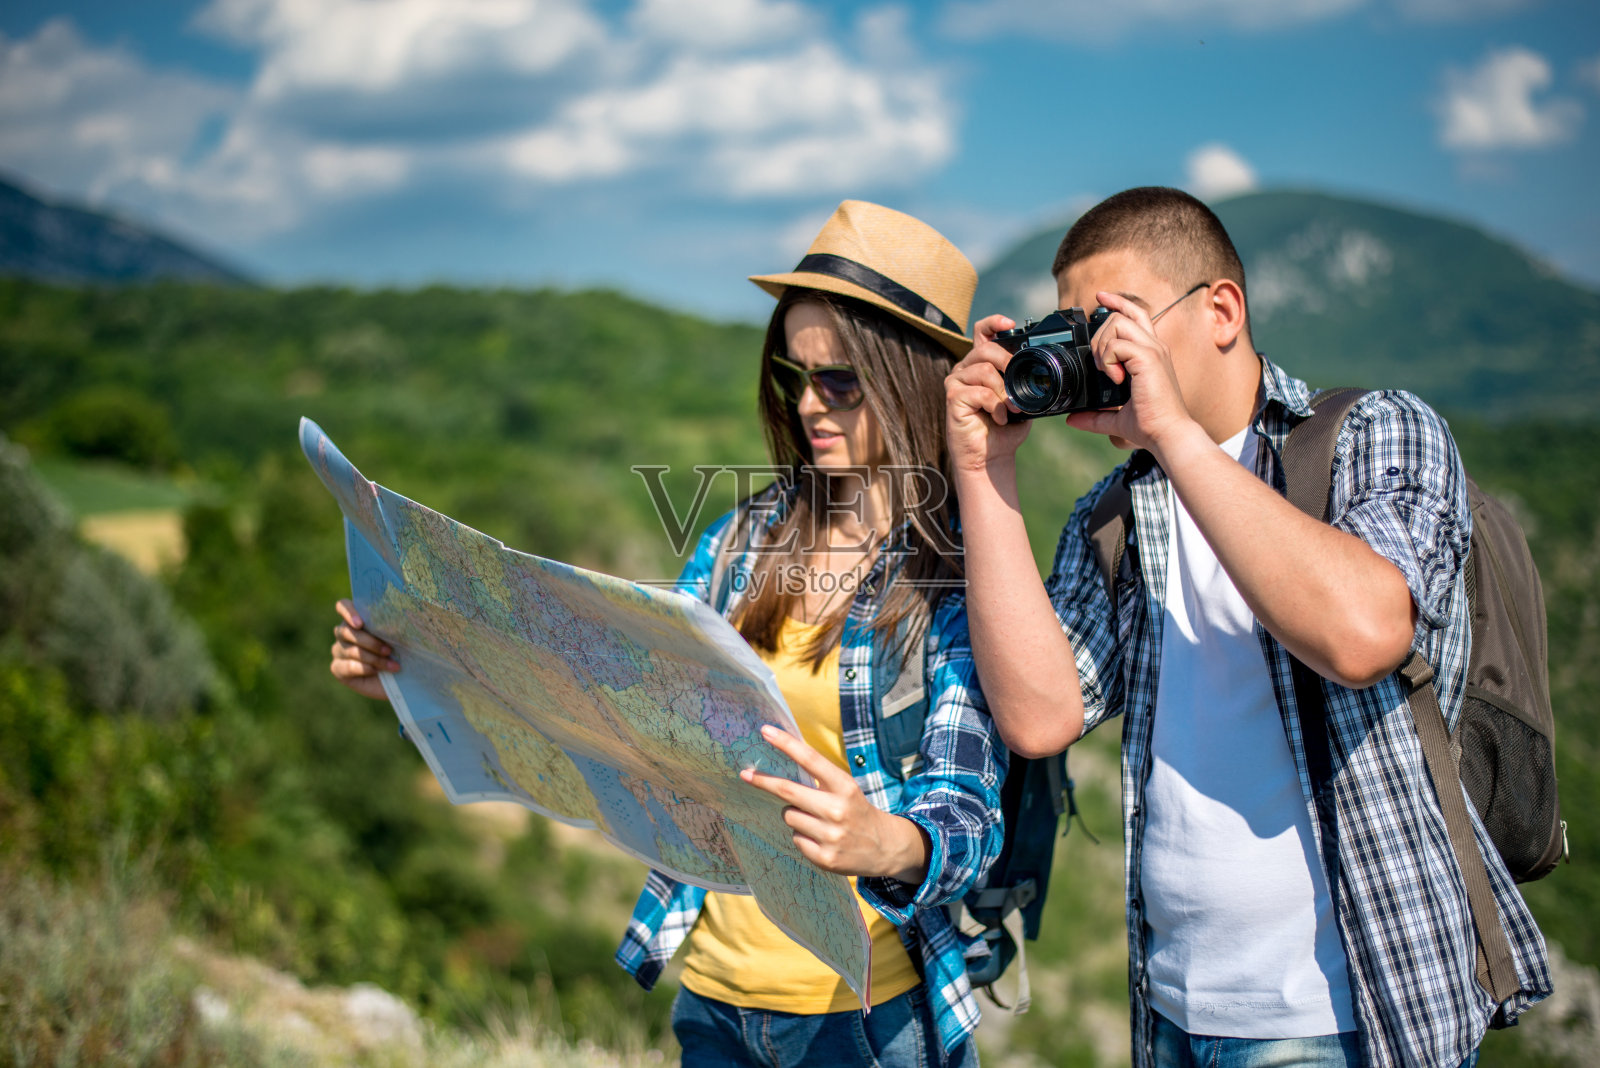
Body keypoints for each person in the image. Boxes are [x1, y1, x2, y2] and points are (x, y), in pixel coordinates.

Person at [331, 200, 1007, 1067]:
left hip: (869, 1019)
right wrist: (410, 667)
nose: (808, 405)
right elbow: (609, 718)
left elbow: (970, 807)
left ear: (908, 380)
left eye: (839, 381)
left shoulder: (955, 572)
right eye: (791, 377)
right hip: (716, 1006)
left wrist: (888, 841)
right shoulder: (741, 540)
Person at [944, 186, 1550, 1068]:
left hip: (1344, 1010)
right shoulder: (1114, 513)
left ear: (1222, 310)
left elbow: (1362, 635)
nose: (1100, 357)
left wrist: (1176, 435)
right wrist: (984, 469)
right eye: (1075, 335)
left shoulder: (1374, 434)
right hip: (1174, 1005)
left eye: (1115, 323)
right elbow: (1040, 716)